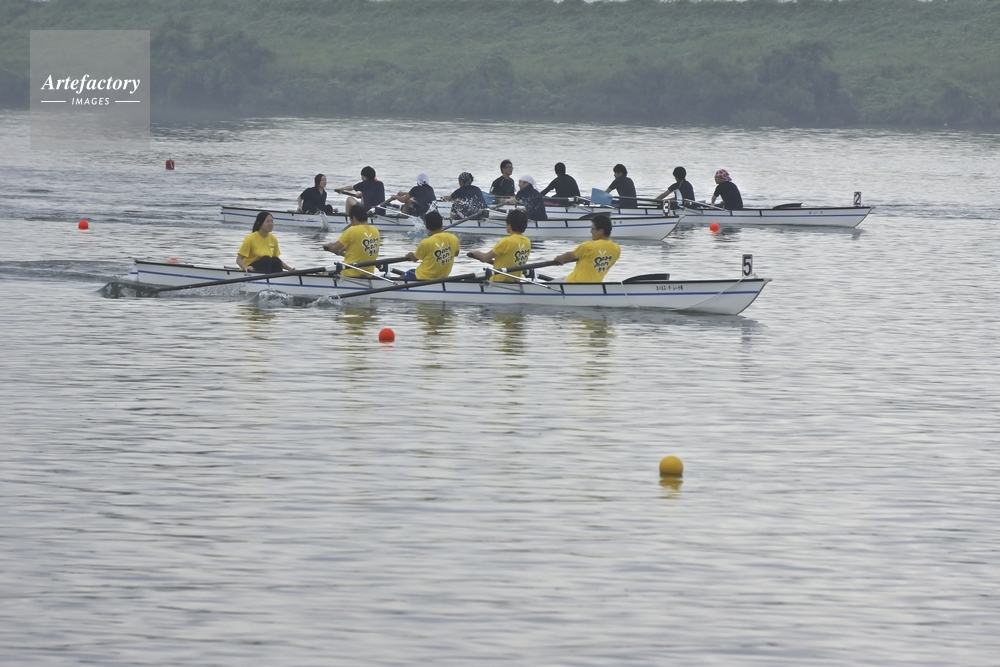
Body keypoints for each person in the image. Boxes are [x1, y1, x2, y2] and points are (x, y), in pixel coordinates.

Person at [467, 210, 531, 283]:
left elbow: (485, 258)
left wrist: (476, 253)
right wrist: (482, 258)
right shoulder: (527, 242)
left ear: (509, 225)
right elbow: (510, 262)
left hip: (498, 282)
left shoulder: (507, 241)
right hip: (515, 282)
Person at [554, 213, 620, 283]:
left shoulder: (588, 246)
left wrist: (559, 258)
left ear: (601, 231)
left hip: (573, 282)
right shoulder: (617, 249)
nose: (590, 231)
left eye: (593, 228)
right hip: (595, 285)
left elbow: (568, 256)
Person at [321, 204, 381, 277]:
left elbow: (334, 248)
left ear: (354, 218)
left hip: (350, 273)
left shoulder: (352, 230)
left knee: (323, 273)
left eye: (350, 220)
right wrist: (341, 251)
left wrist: (327, 245)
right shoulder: (376, 231)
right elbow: (359, 248)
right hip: (369, 274)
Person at [402, 211, 460, 280]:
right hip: (442, 277)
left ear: (426, 227)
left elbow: (414, 259)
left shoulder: (426, 242)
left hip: (423, 277)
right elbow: (456, 254)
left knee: (405, 275)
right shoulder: (453, 238)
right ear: (442, 223)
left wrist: (410, 255)